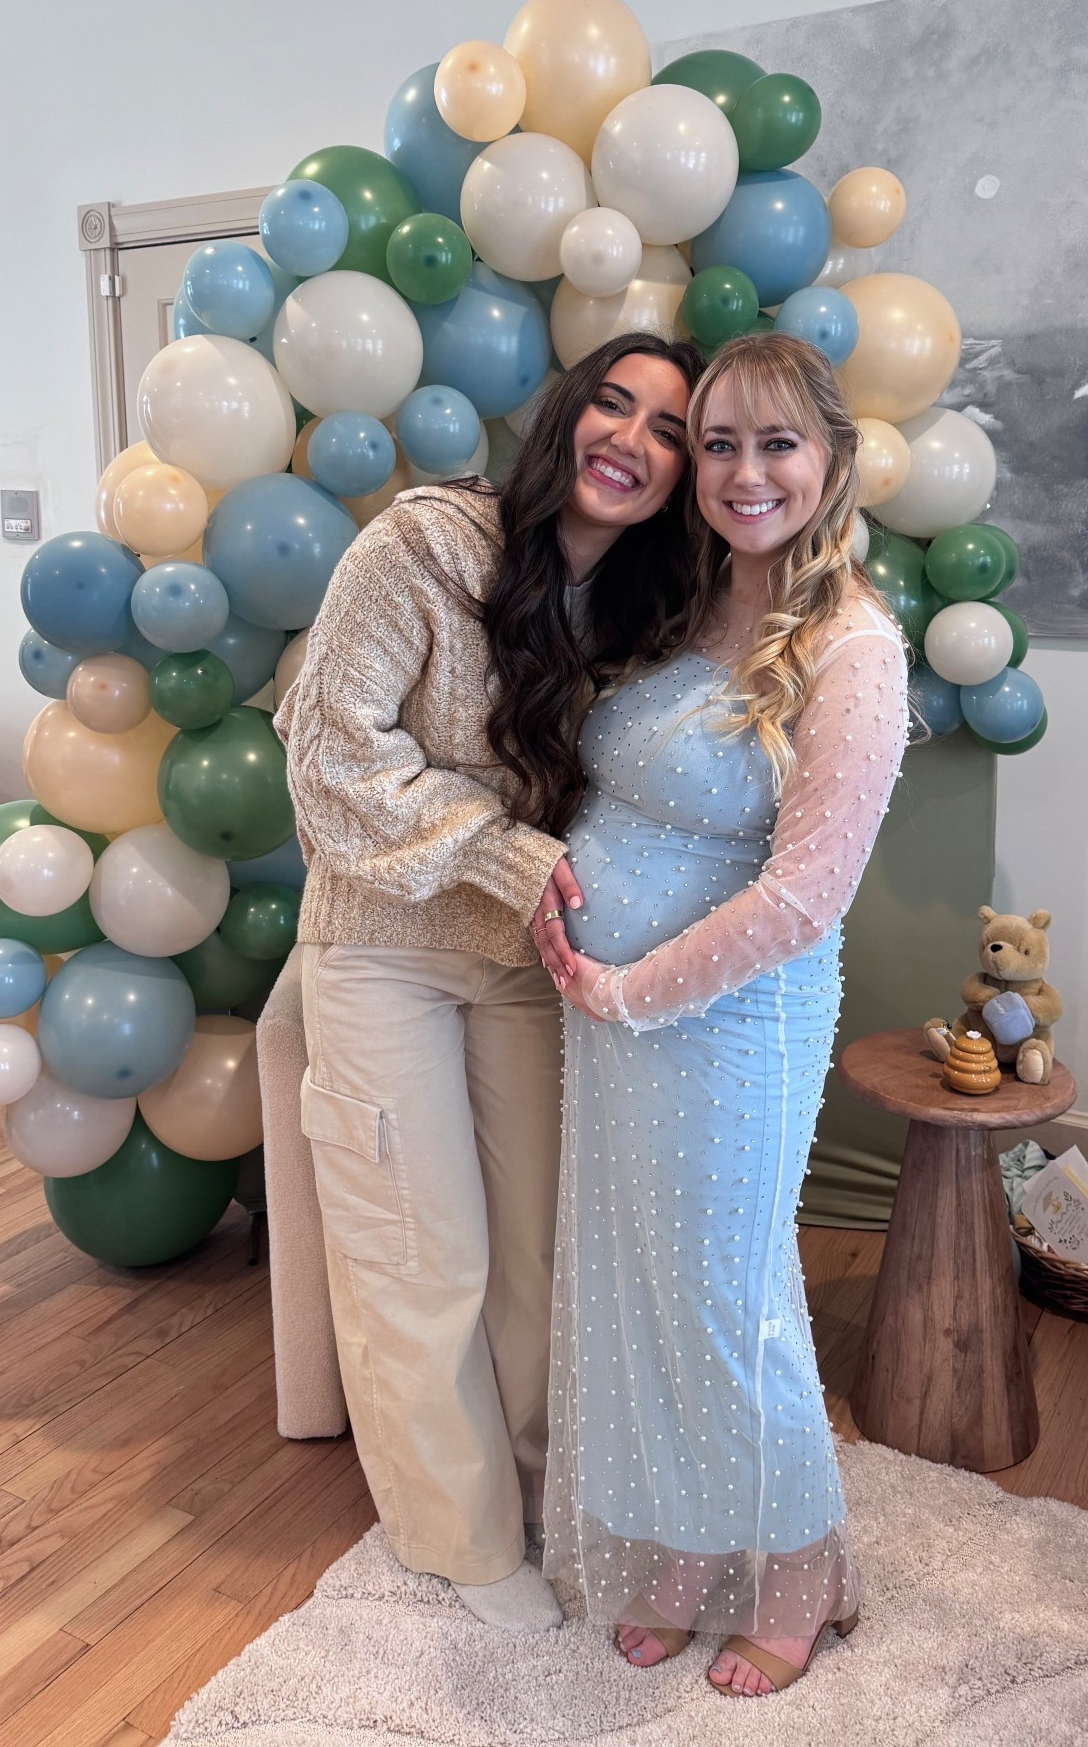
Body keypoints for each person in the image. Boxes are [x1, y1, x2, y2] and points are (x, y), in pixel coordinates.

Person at [275, 331, 705, 1633]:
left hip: (525, 965)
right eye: (614, 404)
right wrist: (507, 854)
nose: (631, 440)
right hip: (382, 951)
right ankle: (457, 1541)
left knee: (539, 1256)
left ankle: (543, 1496)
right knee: (421, 1255)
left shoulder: (640, 613)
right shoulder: (423, 543)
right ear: (567, 413)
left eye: (669, 430)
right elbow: (330, 758)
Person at [534, 333, 908, 1694]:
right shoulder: (688, 599)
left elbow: (804, 899)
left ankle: (801, 1570)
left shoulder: (854, 647)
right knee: (639, 1287)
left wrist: (628, 988)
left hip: (725, 1030)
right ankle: (690, 1547)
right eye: (721, 444)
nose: (747, 474)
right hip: (614, 1022)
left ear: (832, 459)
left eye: (778, 443)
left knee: (722, 1305)